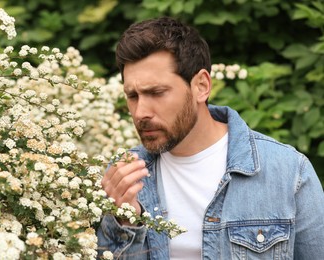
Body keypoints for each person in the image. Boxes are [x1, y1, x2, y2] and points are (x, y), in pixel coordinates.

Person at [96, 17, 324, 259]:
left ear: (201, 86)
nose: (141, 112)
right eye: (132, 96)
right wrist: (125, 222)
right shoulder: (123, 178)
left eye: (156, 92)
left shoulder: (287, 171)